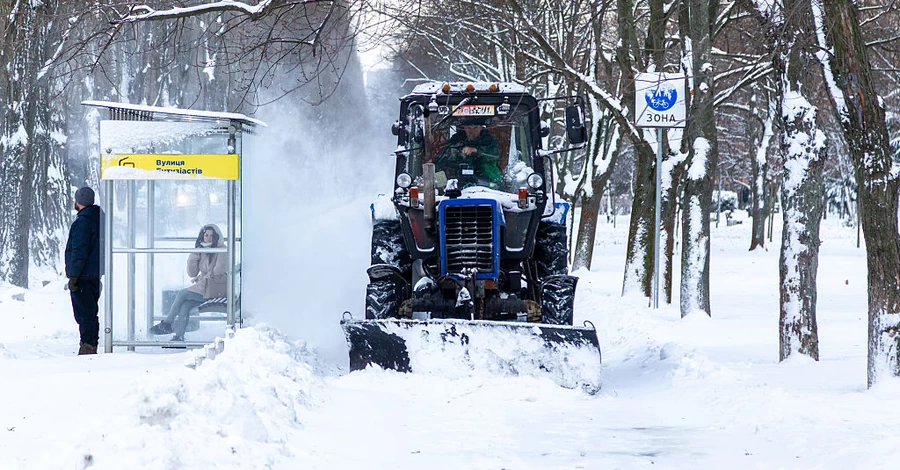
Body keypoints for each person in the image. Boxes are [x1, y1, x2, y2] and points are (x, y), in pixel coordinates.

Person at [149, 224, 227, 341]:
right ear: (202, 237)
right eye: (206, 235)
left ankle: (166, 323)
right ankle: (178, 336)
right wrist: (194, 255)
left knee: (182, 294)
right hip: (205, 288)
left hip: (214, 290)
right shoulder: (202, 250)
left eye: (212, 235)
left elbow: (218, 272)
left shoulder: (221, 250)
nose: (209, 238)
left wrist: (203, 277)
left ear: (217, 237)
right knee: (185, 306)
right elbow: (192, 273)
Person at [66, 187, 103, 355]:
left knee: (84, 313)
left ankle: (88, 346)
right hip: (95, 274)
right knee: (90, 311)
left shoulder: (82, 222)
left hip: (83, 275)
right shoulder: (99, 219)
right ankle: (90, 343)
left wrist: (74, 276)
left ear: (78, 201)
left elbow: (79, 250)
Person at [436, 117, 502, 186]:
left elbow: (494, 155)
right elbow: (440, 162)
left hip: (487, 181)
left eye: (475, 128)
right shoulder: (456, 142)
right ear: (464, 128)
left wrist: (476, 151)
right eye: (468, 128)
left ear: (481, 128)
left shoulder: (489, 141)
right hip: (457, 184)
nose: (472, 131)